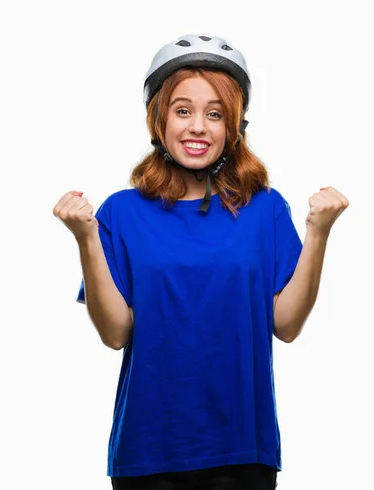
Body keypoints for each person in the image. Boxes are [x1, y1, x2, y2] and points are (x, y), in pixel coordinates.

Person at [53, 34, 348, 490]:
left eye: (215, 114)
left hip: (242, 447)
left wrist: (319, 233)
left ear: (234, 126)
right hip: (147, 451)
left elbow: (286, 325)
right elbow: (115, 334)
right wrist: (86, 238)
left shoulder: (264, 208)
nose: (198, 126)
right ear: (159, 119)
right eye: (183, 110)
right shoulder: (120, 212)